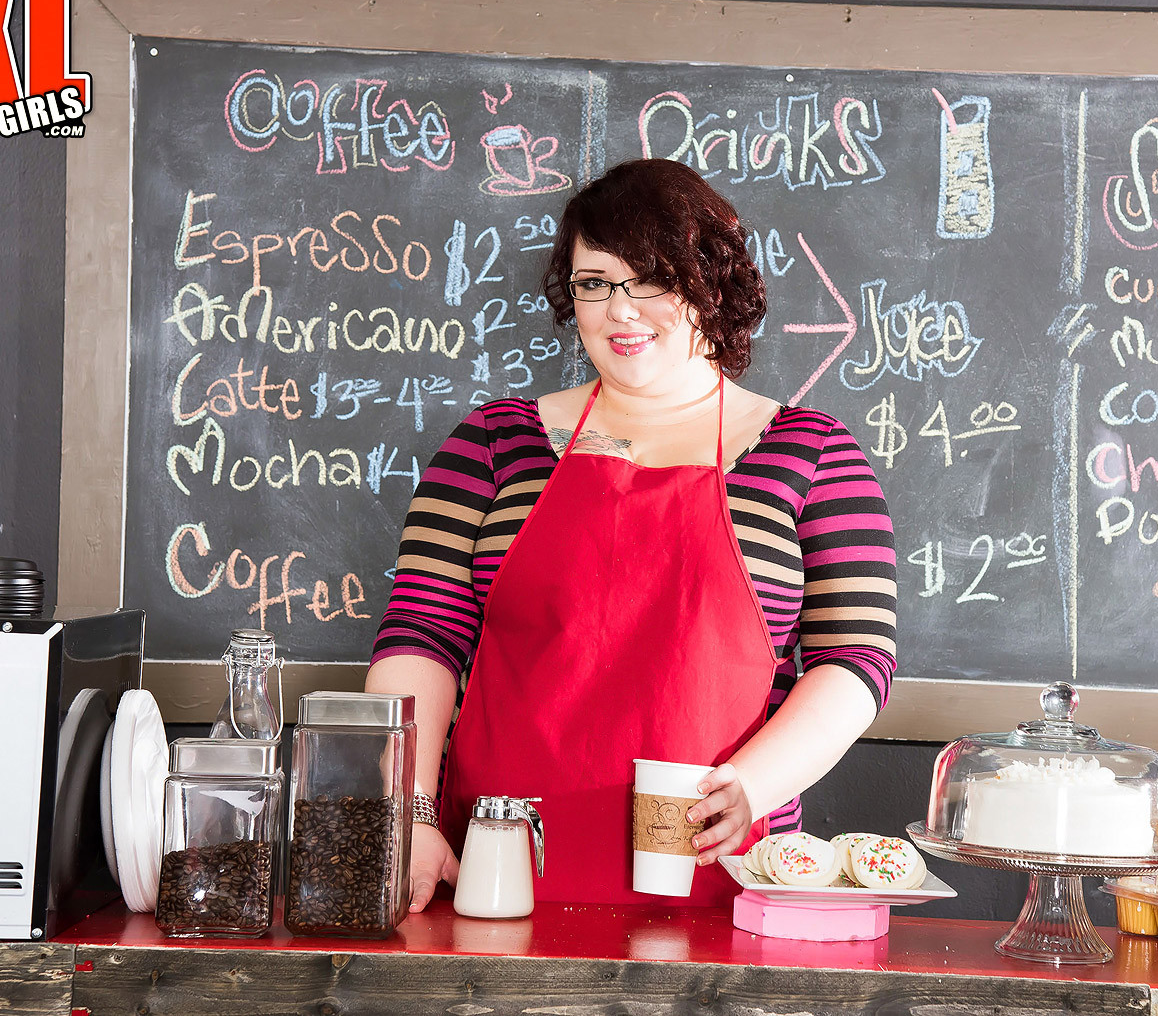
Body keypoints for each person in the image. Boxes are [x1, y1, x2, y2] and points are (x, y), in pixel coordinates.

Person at [365, 158, 897, 910]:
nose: (620, 310)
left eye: (651, 279)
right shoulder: (494, 445)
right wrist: (411, 813)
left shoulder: (809, 454)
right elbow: (421, 638)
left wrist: (754, 786)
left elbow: (856, 658)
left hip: (723, 873)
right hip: (495, 876)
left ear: (712, 285)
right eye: (594, 284)